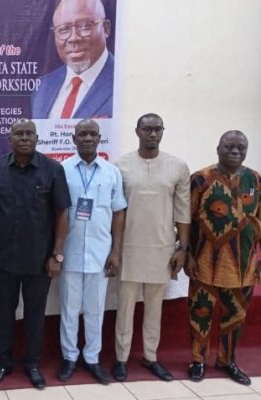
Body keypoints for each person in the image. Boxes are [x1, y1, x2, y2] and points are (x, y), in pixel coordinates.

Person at [0, 118, 71, 389]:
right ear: (9, 139)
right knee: (3, 313)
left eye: (29, 134)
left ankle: (32, 364)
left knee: (35, 314)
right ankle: (3, 362)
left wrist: (57, 255)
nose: (24, 138)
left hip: (39, 259)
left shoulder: (52, 170)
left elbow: (62, 213)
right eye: (19, 134)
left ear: (37, 138)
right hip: (2, 259)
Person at [112, 113, 190, 382]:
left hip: (162, 248)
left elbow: (183, 211)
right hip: (129, 248)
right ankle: (121, 359)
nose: (153, 134)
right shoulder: (120, 166)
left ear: (163, 132)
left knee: (154, 309)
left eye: (157, 129)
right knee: (125, 308)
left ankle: (150, 357)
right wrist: (114, 250)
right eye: (147, 129)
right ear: (137, 131)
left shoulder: (177, 166)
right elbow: (114, 211)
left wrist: (183, 248)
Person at [186, 131, 261, 385]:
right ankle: (197, 361)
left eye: (241, 148)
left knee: (236, 316)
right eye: (230, 147)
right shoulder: (200, 179)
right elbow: (186, 220)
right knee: (200, 312)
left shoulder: (256, 180)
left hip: (244, 267)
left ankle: (227, 360)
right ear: (218, 148)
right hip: (204, 262)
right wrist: (187, 254)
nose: (235, 152)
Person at [58, 119, 126, 385]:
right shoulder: (62, 170)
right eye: (82, 134)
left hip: (100, 253)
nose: (87, 138)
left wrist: (115, 252)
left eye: (92, 134)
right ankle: (69, 357)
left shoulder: (112, 173)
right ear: (73, 139)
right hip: (70, 251)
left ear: (100, 139)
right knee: (69, 308)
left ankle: (93, 358)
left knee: (95, 309)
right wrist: (56, 252)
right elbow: (56, 212)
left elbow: (119, 213)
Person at [32, 0, 114, 119]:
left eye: (85, 26)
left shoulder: (124, 82)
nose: (74, 38)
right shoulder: (43, 87)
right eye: (63, 30)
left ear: (106, 28)